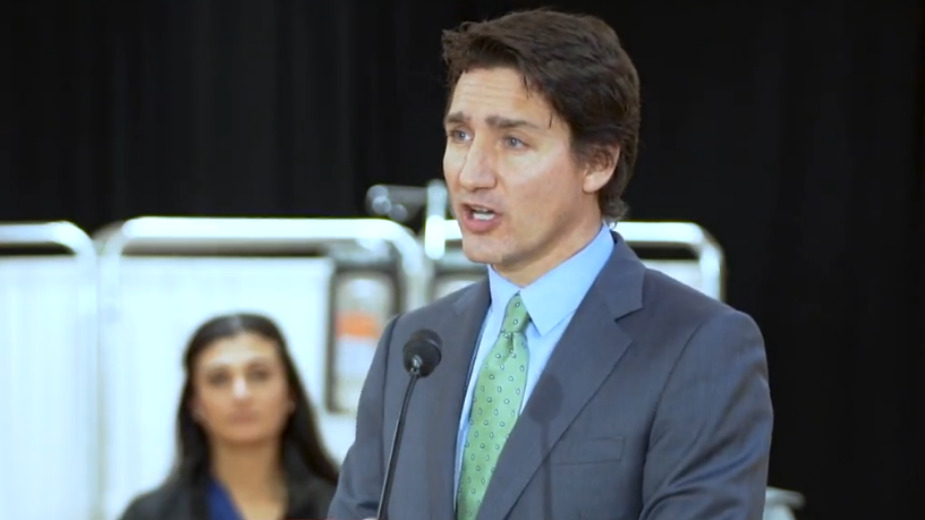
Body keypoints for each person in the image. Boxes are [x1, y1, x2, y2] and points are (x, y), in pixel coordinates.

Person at [329, 7, 773, 520]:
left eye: (513, 142)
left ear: (598, 163)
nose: (472, 174)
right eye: (460, 136)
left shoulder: (699, 346)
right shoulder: (414, 347)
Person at [119, 313, 339, 520]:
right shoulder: (150, 514)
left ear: (290, 394)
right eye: (219, 379)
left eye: (259, 375)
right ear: (195, 403)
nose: (241, 394)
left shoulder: (343, 508)